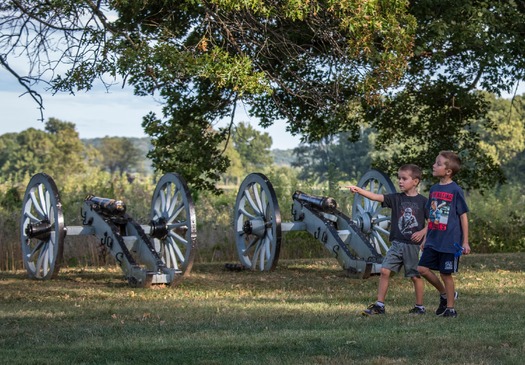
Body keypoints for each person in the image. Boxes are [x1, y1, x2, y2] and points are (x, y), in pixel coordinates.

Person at [348, 164, 428, 315]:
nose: (400, 181)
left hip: (413, 246)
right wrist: (359, 190)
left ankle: (419, 307)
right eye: (399, 178)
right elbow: (376, 197)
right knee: (385, 270)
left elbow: (432, 222)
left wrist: (423, 232)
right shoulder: (396, 199)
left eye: (404, 178)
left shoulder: (423, 202)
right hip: (396, 244)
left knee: (415, 276)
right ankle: (379, 305)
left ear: (415, 181)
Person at [418, 151, 471, 318]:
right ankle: (444, 294)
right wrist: (425, 238)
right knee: (422, 268)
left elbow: (463, 216)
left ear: (448, 171)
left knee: (445, 273)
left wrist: (465, 242)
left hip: (450, 241)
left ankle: (450, 308)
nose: (434, 166)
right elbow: (431, 218)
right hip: (433, 240)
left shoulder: (456, 190)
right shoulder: (433, 189)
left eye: (438, 163)